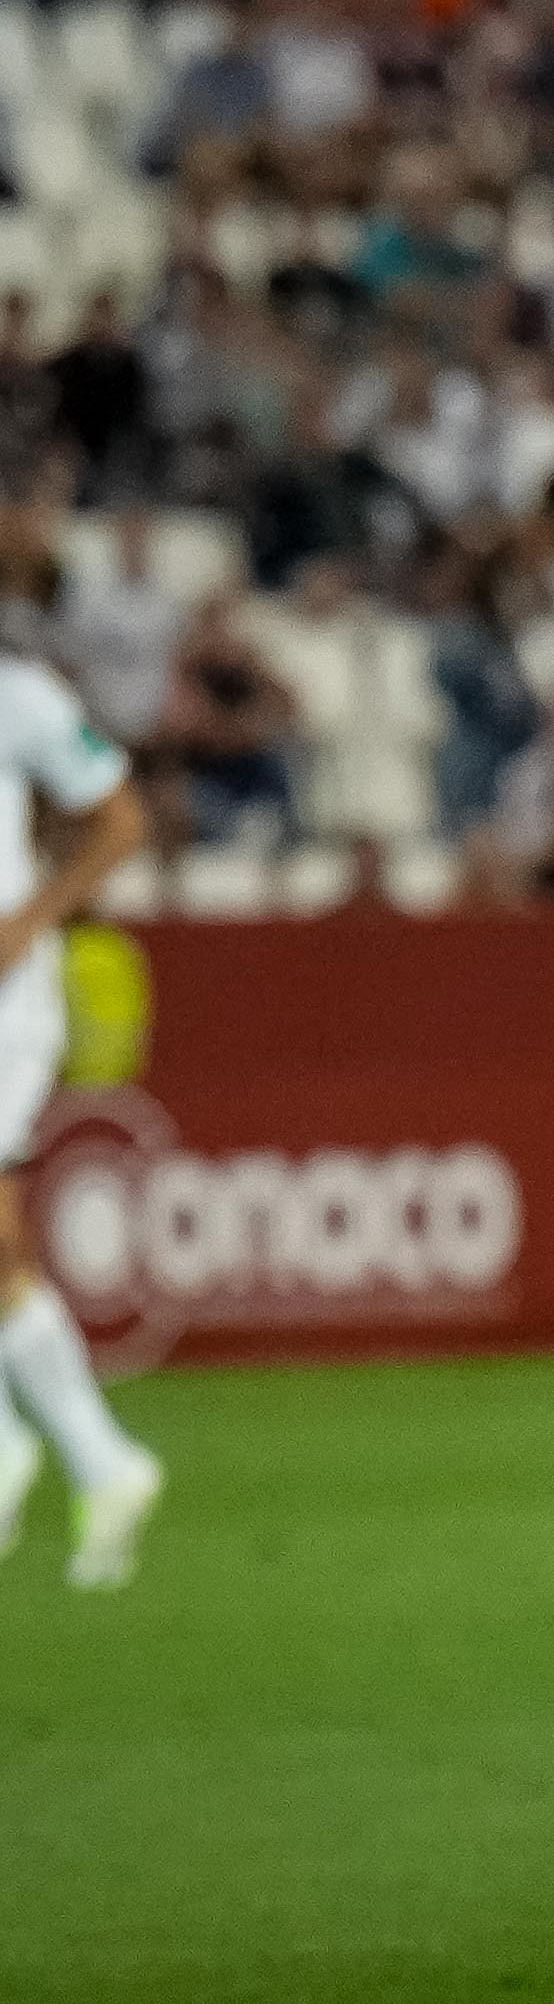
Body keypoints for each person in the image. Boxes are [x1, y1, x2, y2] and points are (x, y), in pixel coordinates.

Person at [0, 644, 156, 1585]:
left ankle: (99, 1458)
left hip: (6, 1002)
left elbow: (121, 820)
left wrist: (32, 918)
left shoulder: (17, 695)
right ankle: (37, 1452)